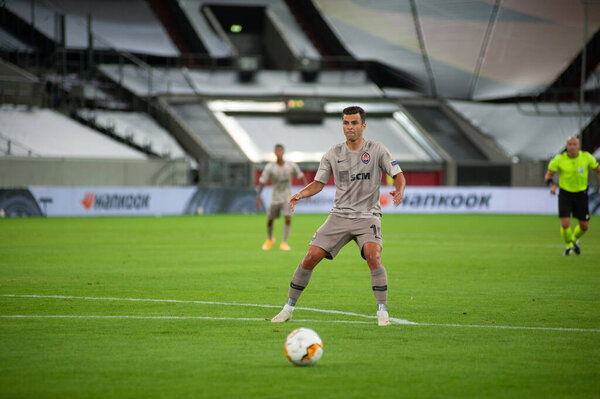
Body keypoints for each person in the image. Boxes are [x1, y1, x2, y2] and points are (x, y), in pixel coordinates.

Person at [271, 106, 406, 326]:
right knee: (310, 257)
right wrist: (300, 194)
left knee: (373, 255)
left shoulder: (378, 150)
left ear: (363, 125)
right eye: (345, 123)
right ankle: (288, 309)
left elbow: (398, 175)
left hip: (367, 215)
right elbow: (318, 183)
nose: (349, 127)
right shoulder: (333, 153)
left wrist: (399, 190)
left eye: (354, 123)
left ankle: (382, 313)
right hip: (339, 216)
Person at [545, 136, 600, 255]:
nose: (572, 147)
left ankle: (574, 240)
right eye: (570, 144)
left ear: (579, 146)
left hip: (581, 194)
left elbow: (598, 170)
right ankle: (569, 245)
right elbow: (549, 175)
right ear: (566, 146)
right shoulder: (559, 159)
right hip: (565, 194)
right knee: (565, 224)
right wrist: (552, 185)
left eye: (574, 144)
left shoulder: (586, 157)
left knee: (584, 226)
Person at [256, 144, 308, 251]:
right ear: (275, 153)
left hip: (287, 196)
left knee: (288, 218)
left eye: (280, 150)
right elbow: (262, 181)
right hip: (275, 197)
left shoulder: (290, 165)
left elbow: (301, 176)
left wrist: (306, 191)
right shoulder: (270, 167)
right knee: (270, 219)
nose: (279, 153)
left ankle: (284, 242)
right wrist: (258, 196)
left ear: (283, 152)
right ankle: (270, 239)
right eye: (277, 151)